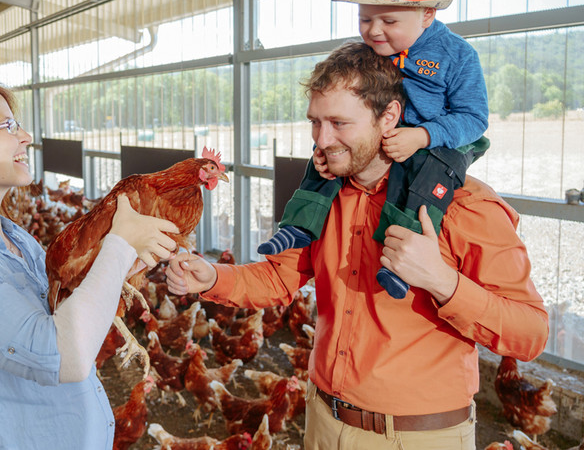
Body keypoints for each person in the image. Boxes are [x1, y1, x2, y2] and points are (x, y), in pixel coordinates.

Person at [167, 43, 548, 450]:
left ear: (389, 118)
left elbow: (531, 333)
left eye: (339, 123)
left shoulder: (462, 205)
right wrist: (212, 277)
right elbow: (279, 276)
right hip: (324, 423)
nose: (322, 139)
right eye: (315, 122)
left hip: (417, 436)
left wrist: (442, 281)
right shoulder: (326, 193)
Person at [0, 80, 179, 449]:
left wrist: (126, 265)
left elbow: (66, 311)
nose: (26, 137)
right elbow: (63, 356)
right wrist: (118, 243)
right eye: (7, 126)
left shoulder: (14, 239)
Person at [257, 0, 490, 300]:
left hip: (440, 144)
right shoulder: (374, 52)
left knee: (426, 187)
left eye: (389, 22)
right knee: (325, 153)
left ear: (427, 15)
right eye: (366, 19)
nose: (374, 30)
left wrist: (423, 135)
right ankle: (299, 226)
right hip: (389, 136)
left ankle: (399, 262)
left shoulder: (456, 56)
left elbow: (475, 118)